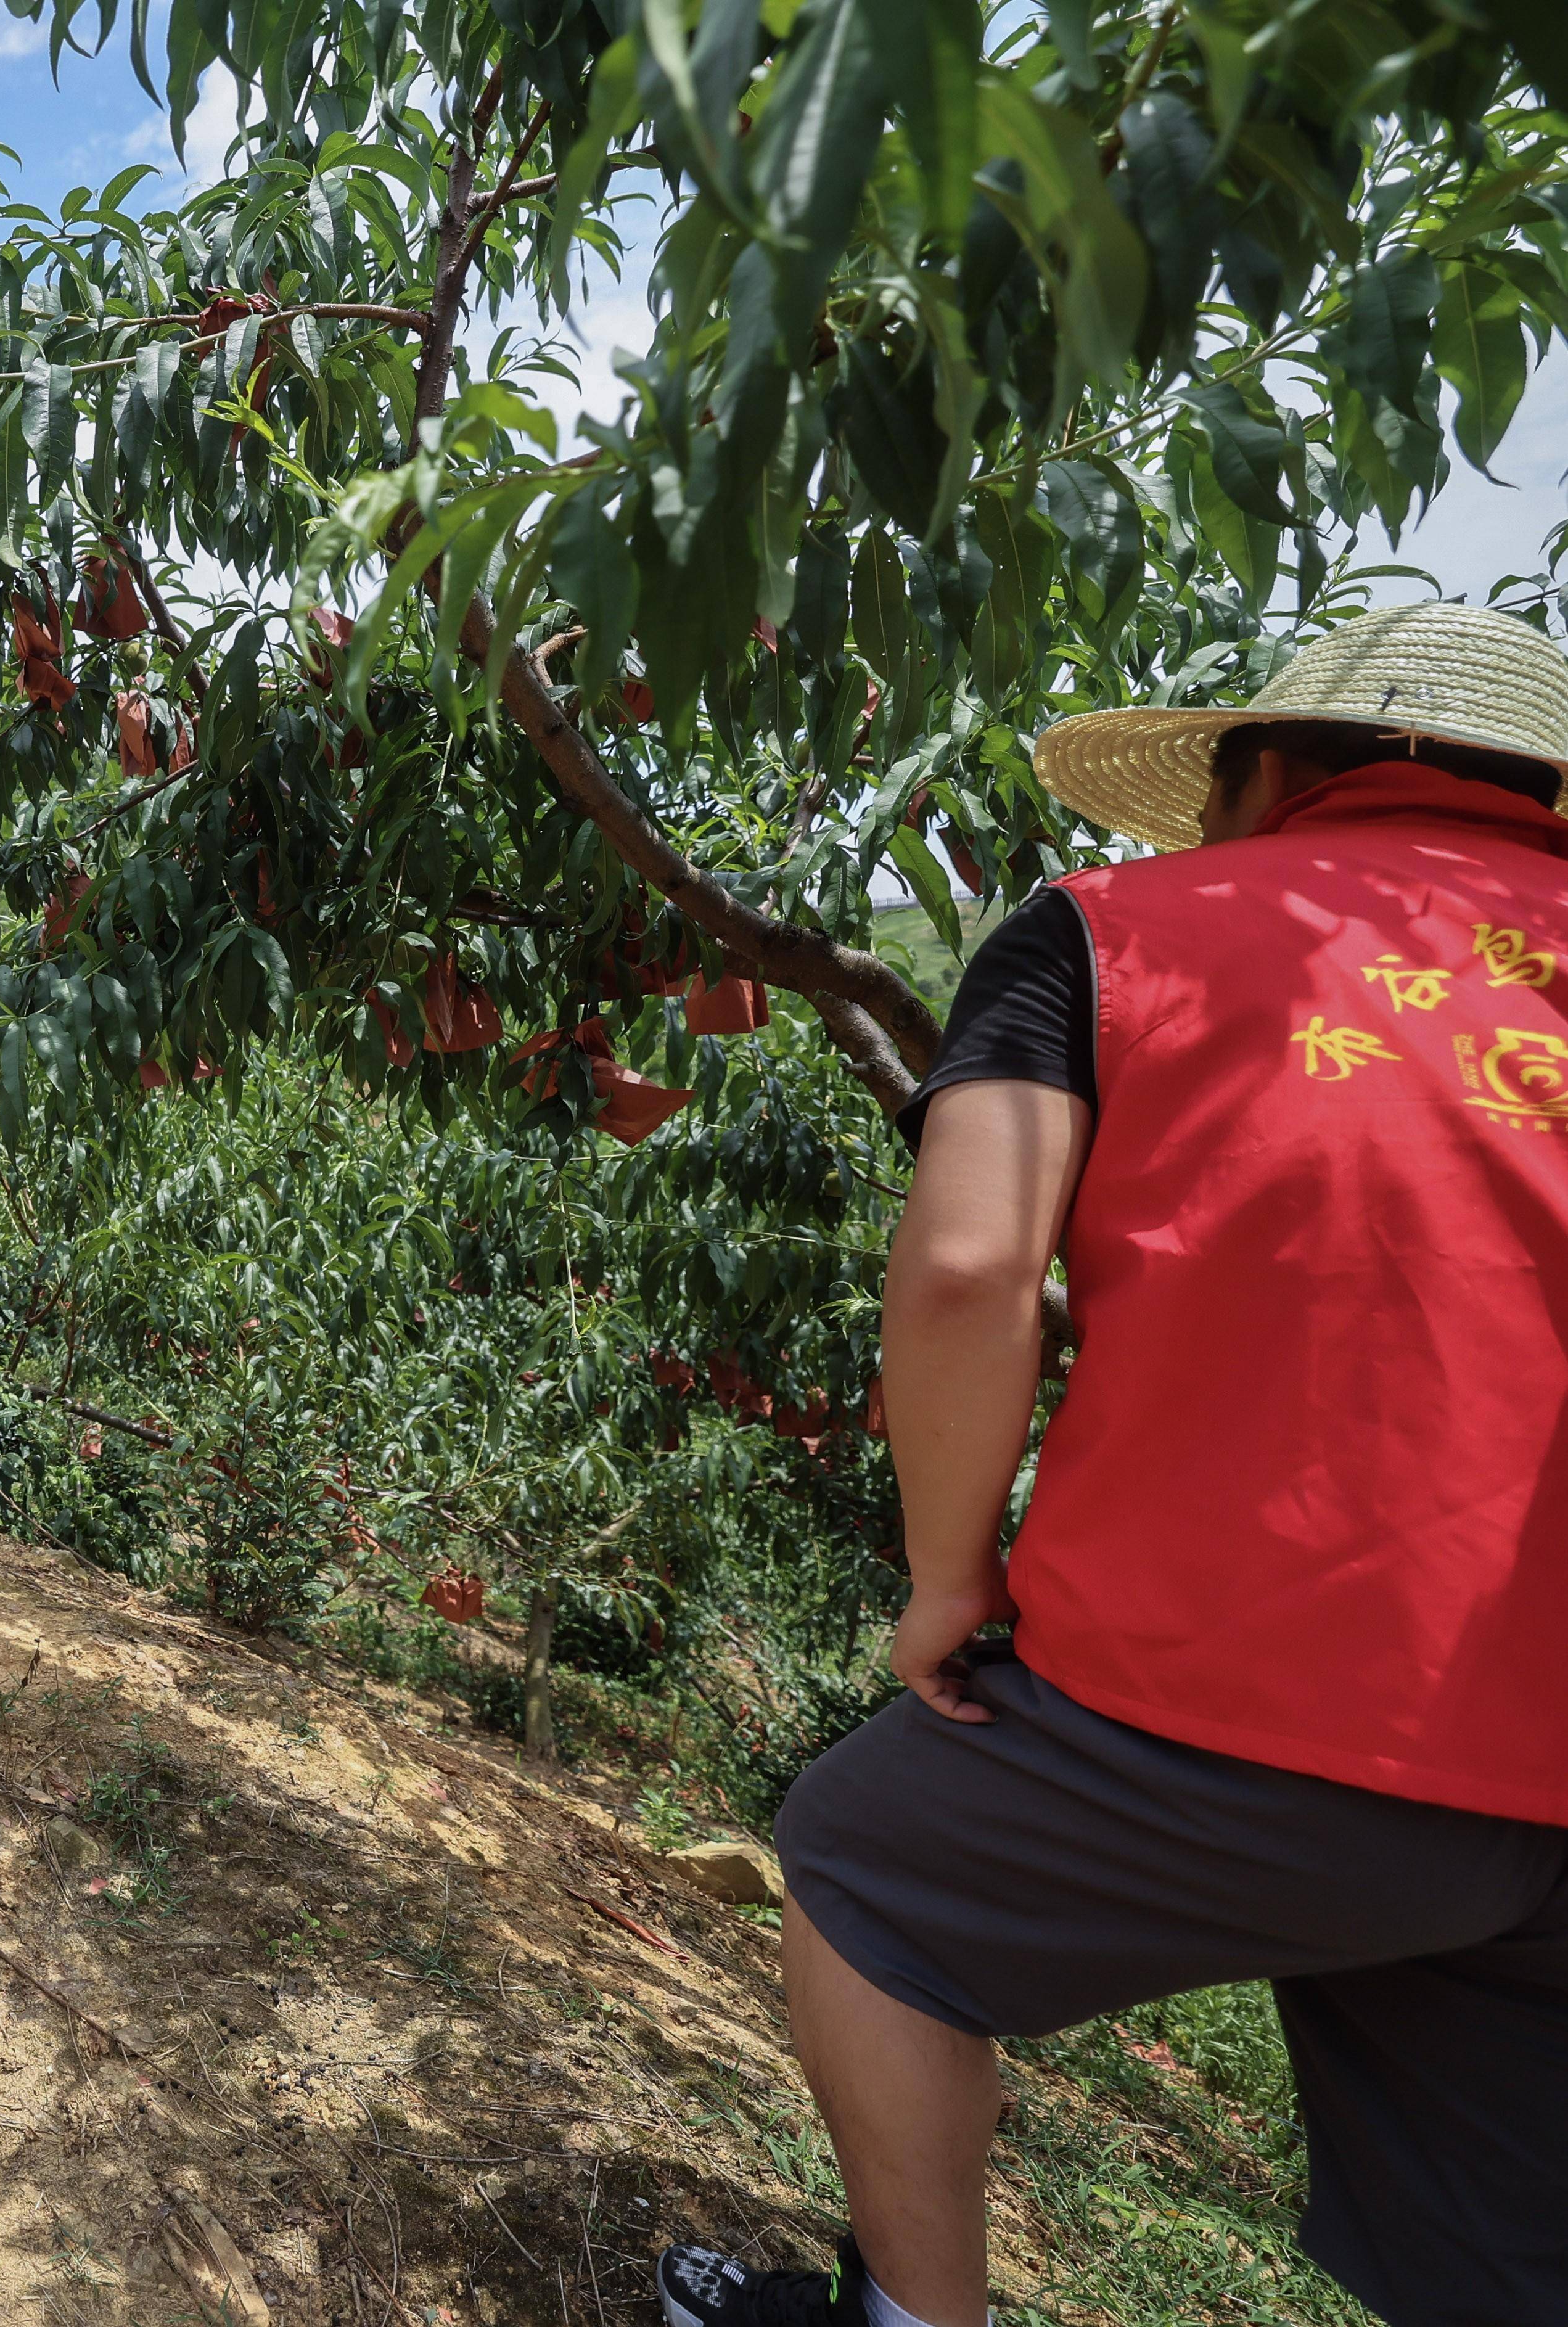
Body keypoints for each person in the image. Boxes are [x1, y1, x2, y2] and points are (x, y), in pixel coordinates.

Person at [655, 600, 1568, 2327]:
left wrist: (946, 1581)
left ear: (1273, 775)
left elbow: (964, 1268)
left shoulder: (1105, 928)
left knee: (861, 1871)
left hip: (1261, 1710)